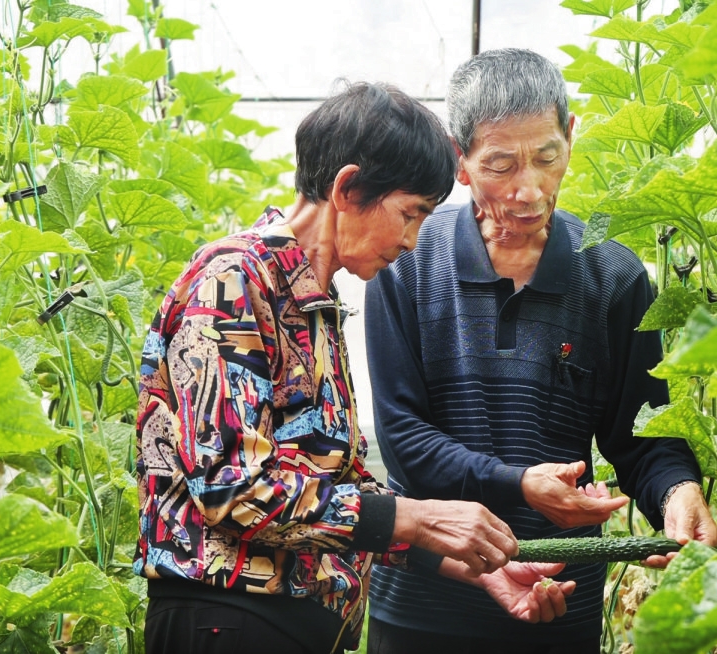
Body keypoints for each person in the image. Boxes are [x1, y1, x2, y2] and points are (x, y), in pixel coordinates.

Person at [134, 82, 575, 654]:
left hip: (287, 624)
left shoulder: (311, 301)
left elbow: (330, 484)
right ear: (346, 189)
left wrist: (465, 562)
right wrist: (414, 517)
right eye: (410, 214)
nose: (413, 241)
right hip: (230, 618)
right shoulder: (234, 280)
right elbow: (230, 486)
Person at [363, 49, 717, 653]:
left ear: (571, 136)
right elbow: (404, 439)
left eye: (547, 158)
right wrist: (521, 484)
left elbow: (642, 438)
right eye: (500, 164)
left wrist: (677, 491)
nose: (529, 189)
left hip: (560, 600)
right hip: (423, 607)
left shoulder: (613, 276)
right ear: (460, 160)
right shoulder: (408, 263)